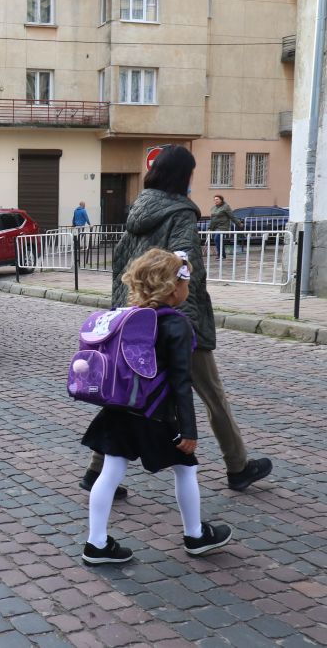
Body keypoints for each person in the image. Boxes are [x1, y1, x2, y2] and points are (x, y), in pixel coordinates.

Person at [80, 145, 272, 496]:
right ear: (182, 176)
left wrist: (125, 316)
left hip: (136, 320)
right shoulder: (181, 214)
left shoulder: (136, 212)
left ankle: (96, 472)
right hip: (174, 320)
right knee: (213, 397)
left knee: (125, 396)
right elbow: (187, 271)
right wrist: (184, 326)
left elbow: (120, 267)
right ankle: (238, 466)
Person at [81, 249, 233, 564]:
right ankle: (195, 535)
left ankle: (96, 543)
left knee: (109, 472)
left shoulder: (126, 316)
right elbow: (181, 382)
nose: (187, 288)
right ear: (173, 287)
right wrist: (188, 429)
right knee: (186, 468)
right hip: (155, 415)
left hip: (119, 409)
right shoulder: (177, 324)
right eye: (185, 281)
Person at [208, 195, 240, 259]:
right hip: (216, 227)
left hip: (223, 226)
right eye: (214, 199)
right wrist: (210, 228)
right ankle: (223, 255)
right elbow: (212, 219)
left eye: (217, 199)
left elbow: (232, 216)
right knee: (219, 240)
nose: (215, 201)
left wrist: (238, 223)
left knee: (217, 239)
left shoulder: (226, 207)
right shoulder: (214, 208)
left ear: (221, 200)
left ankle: (220, 254)